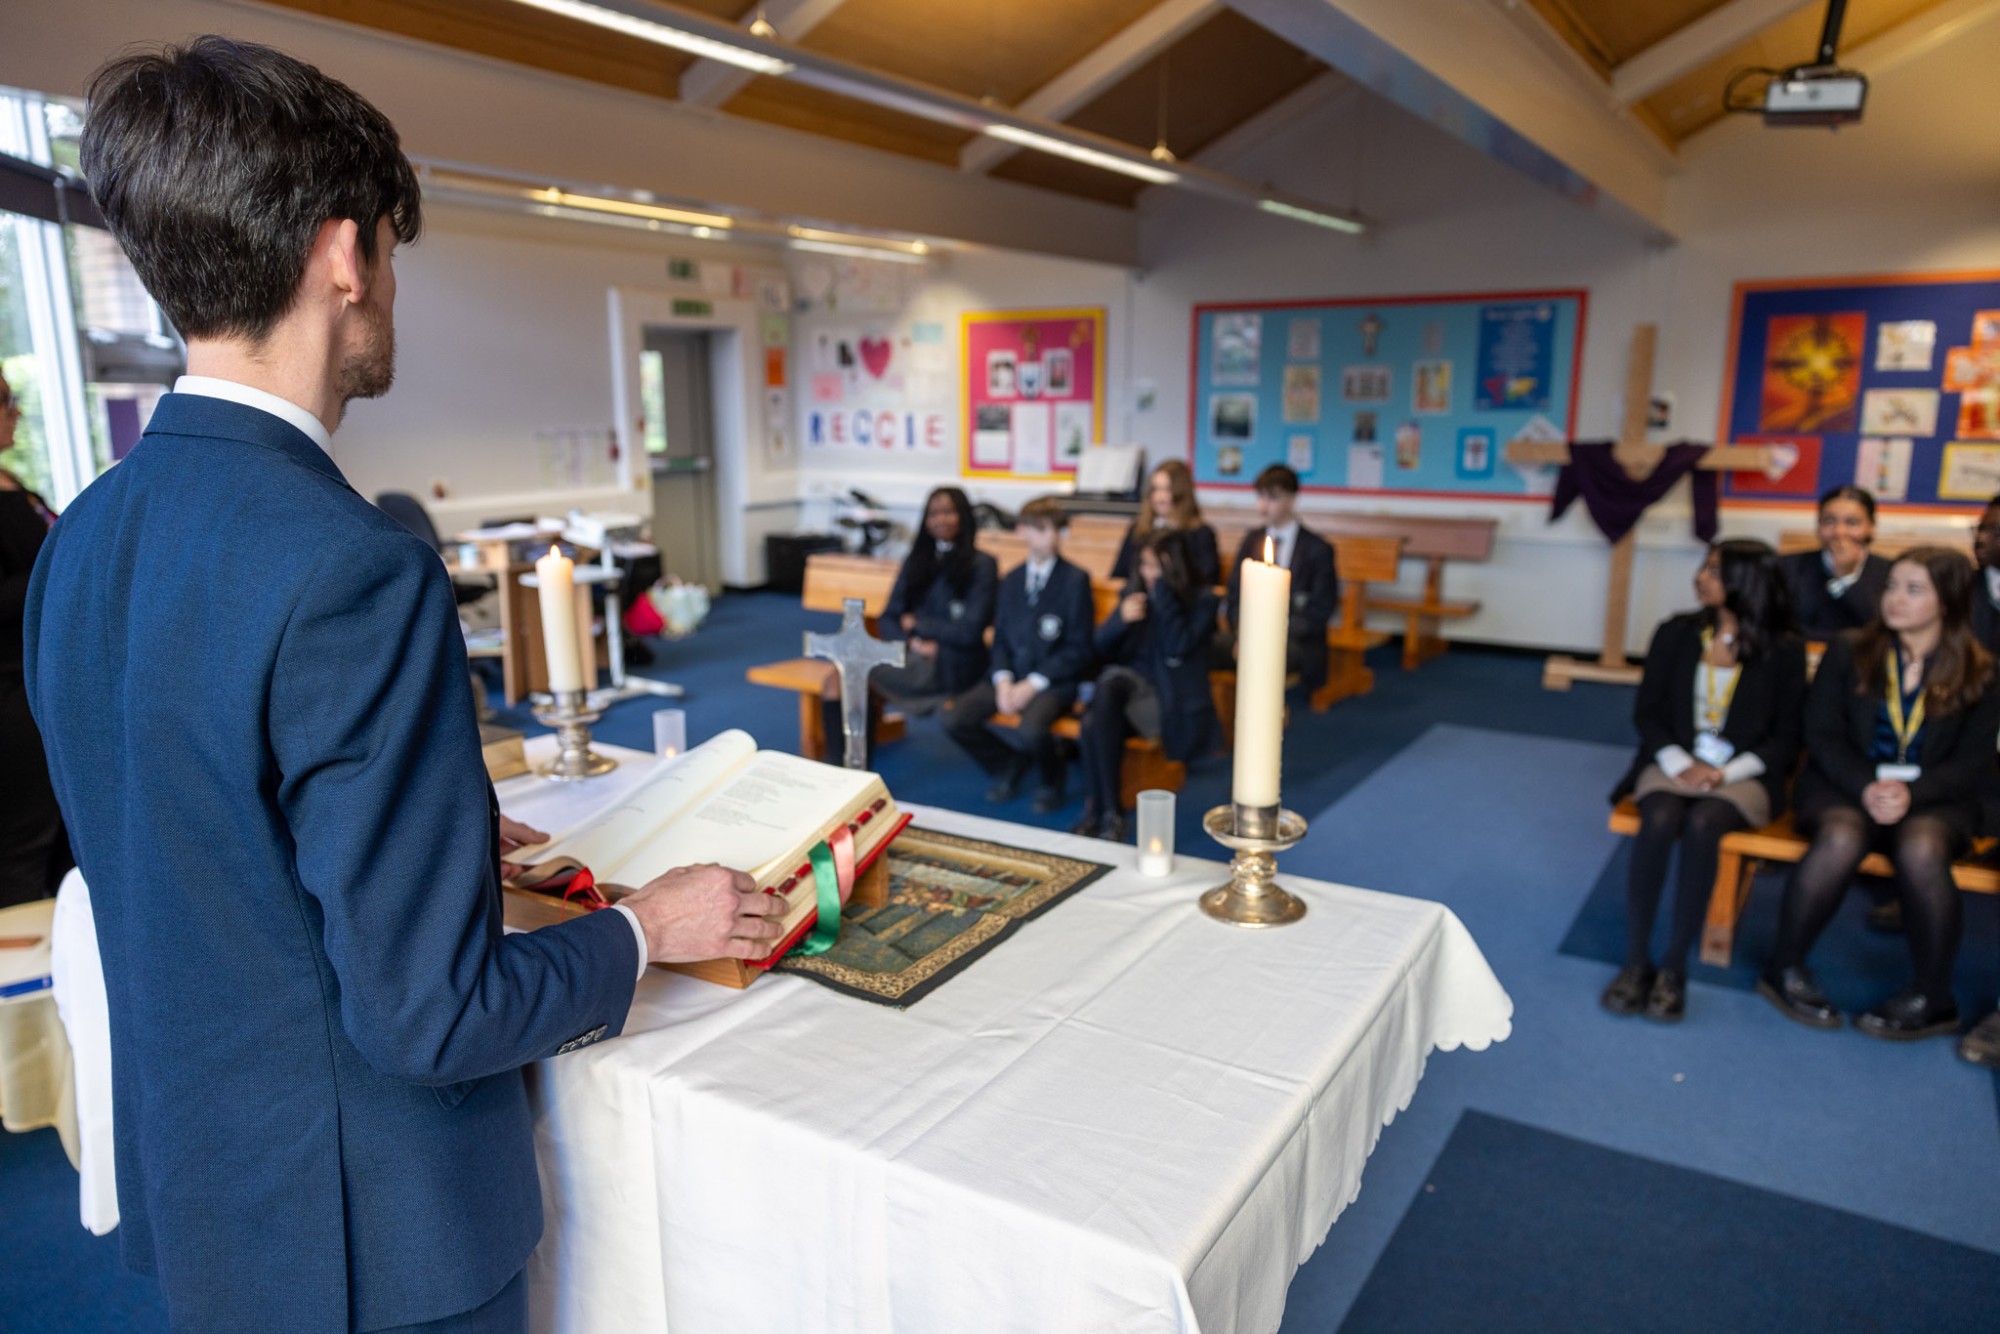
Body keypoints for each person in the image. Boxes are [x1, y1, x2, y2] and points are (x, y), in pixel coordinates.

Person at [27, 39, 782, 1333]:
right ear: (344, 254)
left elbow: (185, 841)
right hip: (375, 1236)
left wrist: (426, 828)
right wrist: (649, 927)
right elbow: (431, 1016)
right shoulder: (355, 565)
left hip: (211, 1199)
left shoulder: (81, 536)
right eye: (391, 250)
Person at [1758, 548, 2000, 1041]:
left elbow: (1973, 761)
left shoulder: (1982, 670)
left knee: (1922, 847)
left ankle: (1933, 998)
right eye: (1891, 586)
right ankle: (1784, 968)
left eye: (1913, 590)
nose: (1894, 599)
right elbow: (1821, 733)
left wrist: (1912, 793)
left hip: (1935, 796)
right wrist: (1868, 785)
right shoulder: (1849, 649)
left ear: (1947, 601)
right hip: (1847, 784)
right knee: (1841, 836)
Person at [1602, 540, 1804, 1021]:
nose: (1701, 577)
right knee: (1659, 815)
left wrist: (1722, 773)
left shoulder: (1784, 648)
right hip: (1674, 760)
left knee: (1704, 823)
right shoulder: (1676, 632)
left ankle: (1674, 966)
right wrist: (1678, 763)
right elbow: (1648, 714)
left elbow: (1787, 737)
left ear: (1747, 582)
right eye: (1705, 567)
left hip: (1745, 771)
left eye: (1714, 570)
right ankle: (1636, 961)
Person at [823, 485, 997, 766]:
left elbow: (969, 631)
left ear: (963, 516)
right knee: (837, 676)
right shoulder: (917, 560)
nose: (940, 520)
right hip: (912, 653)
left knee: (853, 673)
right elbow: (890, 616)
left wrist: (918, 625)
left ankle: (853, 765)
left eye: (949, 512)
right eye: (933, 514)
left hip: (952, 662)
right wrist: (911, 642)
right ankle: (845, 765)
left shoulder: (982, 565)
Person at [942, 496, 1094, 812]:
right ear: (1023, 531)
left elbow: (1079, 648)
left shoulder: (1075, 580)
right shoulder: (1011, 580)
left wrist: (1032, 684)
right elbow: (1000, 641)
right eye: (1042, 530)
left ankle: (1052, 779)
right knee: (955, 718)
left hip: (1052, 680)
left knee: (1031, 729)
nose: (1051, 538)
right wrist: (1003, 681)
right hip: (1011, 674)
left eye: (1055, 530)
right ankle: (1009, 763)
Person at [1074, 529, 1220, 840]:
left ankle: (1102, 812)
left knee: (1096, 712)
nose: (1149, 573)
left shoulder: (1202, 601)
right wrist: (1119, 621)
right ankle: (1108, 812)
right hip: (1126, 692)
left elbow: (1178, 646)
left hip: (1168, 699)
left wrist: (1163, 597)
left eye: (1157, 566)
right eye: (1144, 565)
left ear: (1175, 565)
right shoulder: (1134, 595)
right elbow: (1098, 649)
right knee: (1097, 708)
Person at [1, 369, 71, 909]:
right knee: (23, 857)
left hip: (40, 694)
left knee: (60, 853)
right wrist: (62, 568)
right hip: (10, 709)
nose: (16, 411)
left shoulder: (11, 483)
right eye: (6, 400)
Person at [1224, 464, 1338, 691]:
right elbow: (1235, 593)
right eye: (1261, 497)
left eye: (1273, 498)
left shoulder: (1317, 548)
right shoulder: (1251, 540)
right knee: (1203, 646)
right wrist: (1245, 633)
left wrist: (1270, 633)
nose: (1264, 505)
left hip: (1295, 638)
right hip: (1249, 633)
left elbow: (1320, 608)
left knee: (1263, 654)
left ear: (1292, 499)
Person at [1960, 496, 2000, 1069]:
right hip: (1964, 745)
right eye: (1983, 526)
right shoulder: (1959, 593)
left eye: (1994, 529)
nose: (1982, 536)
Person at [1779, 485, 1891, 641]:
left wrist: (1845, 577)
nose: (1839, 532)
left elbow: (1879, 626)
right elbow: (1790, 623)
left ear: (1871, 527)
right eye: (1829, 521)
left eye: (1852, 522)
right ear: (1819, 525)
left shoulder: (1888, 571)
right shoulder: (1789, 566)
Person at [1109, 459, 1221, 589]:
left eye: (1167, 490)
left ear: (1181, 493)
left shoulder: (1201, 534)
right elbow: (1119, 575)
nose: (1159, 498)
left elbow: (1207, 584)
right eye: (1155, 490)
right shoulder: (1138, 529)